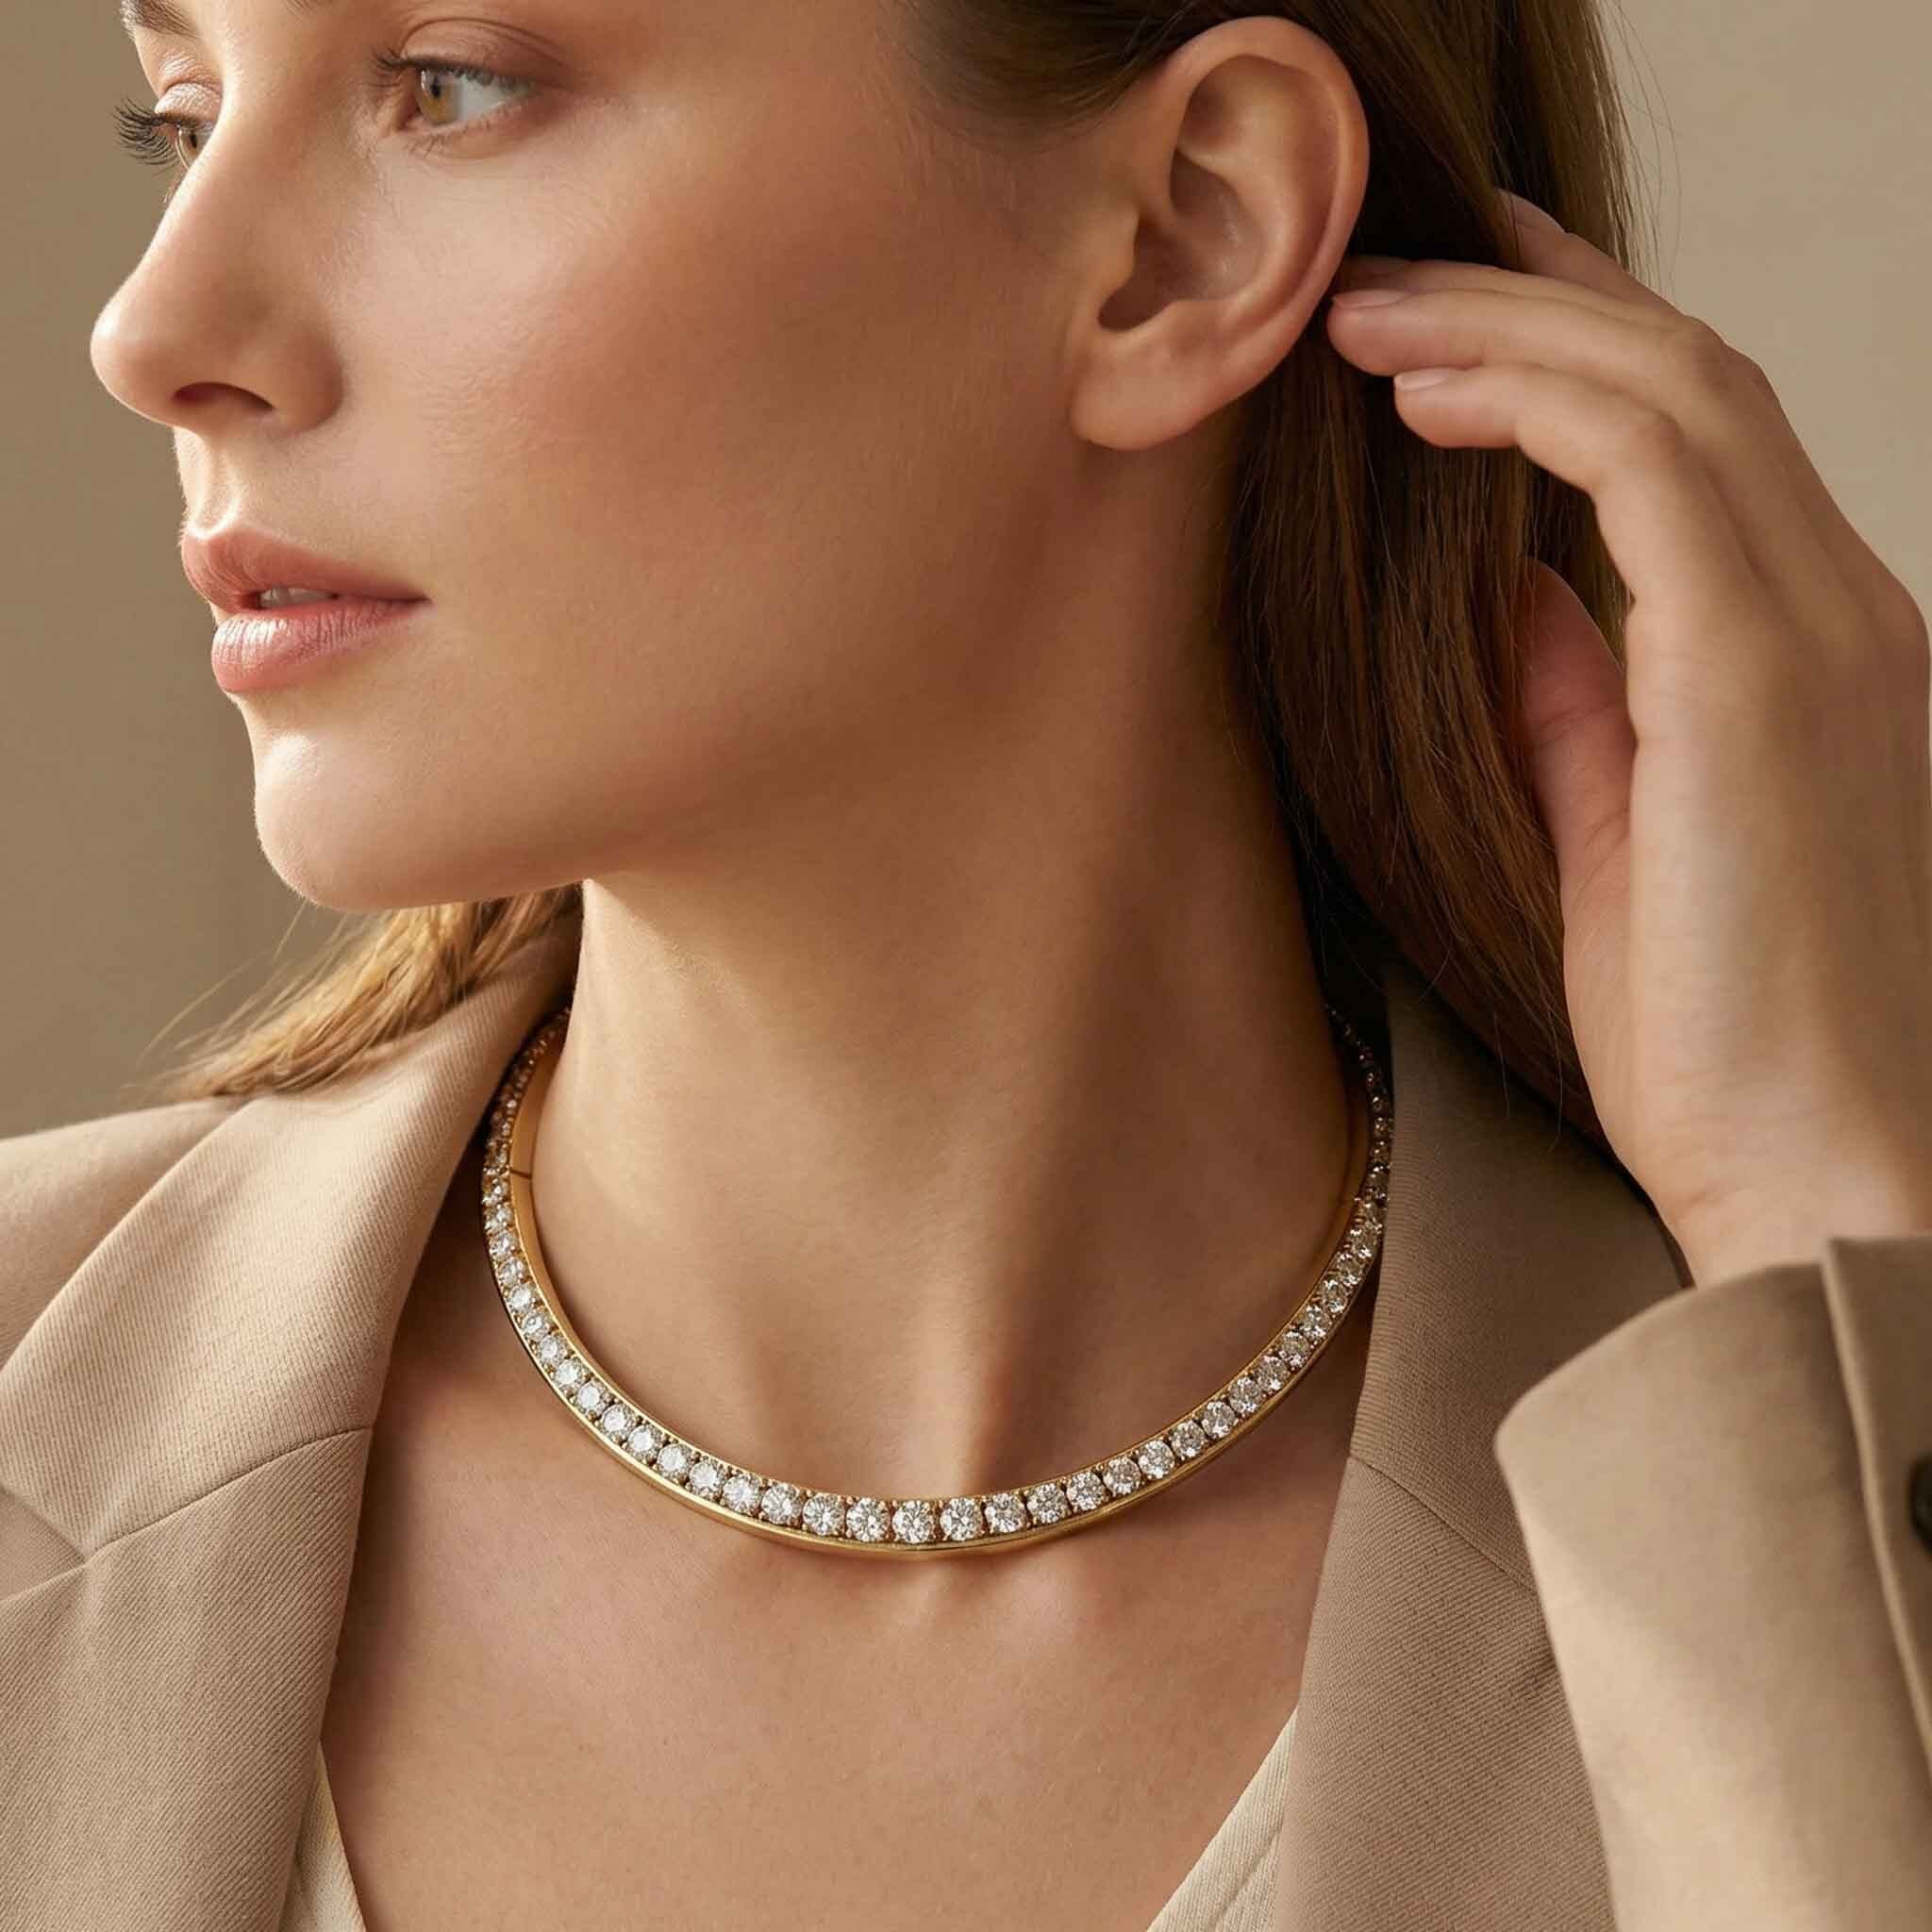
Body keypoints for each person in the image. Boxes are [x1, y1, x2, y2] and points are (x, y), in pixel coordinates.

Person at [4, 0, 1928, 1927]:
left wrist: (1817, 1230)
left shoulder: (1790, 1527)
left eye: (453, 85)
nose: (155, 334)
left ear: (1184, 228)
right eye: (179, 115)